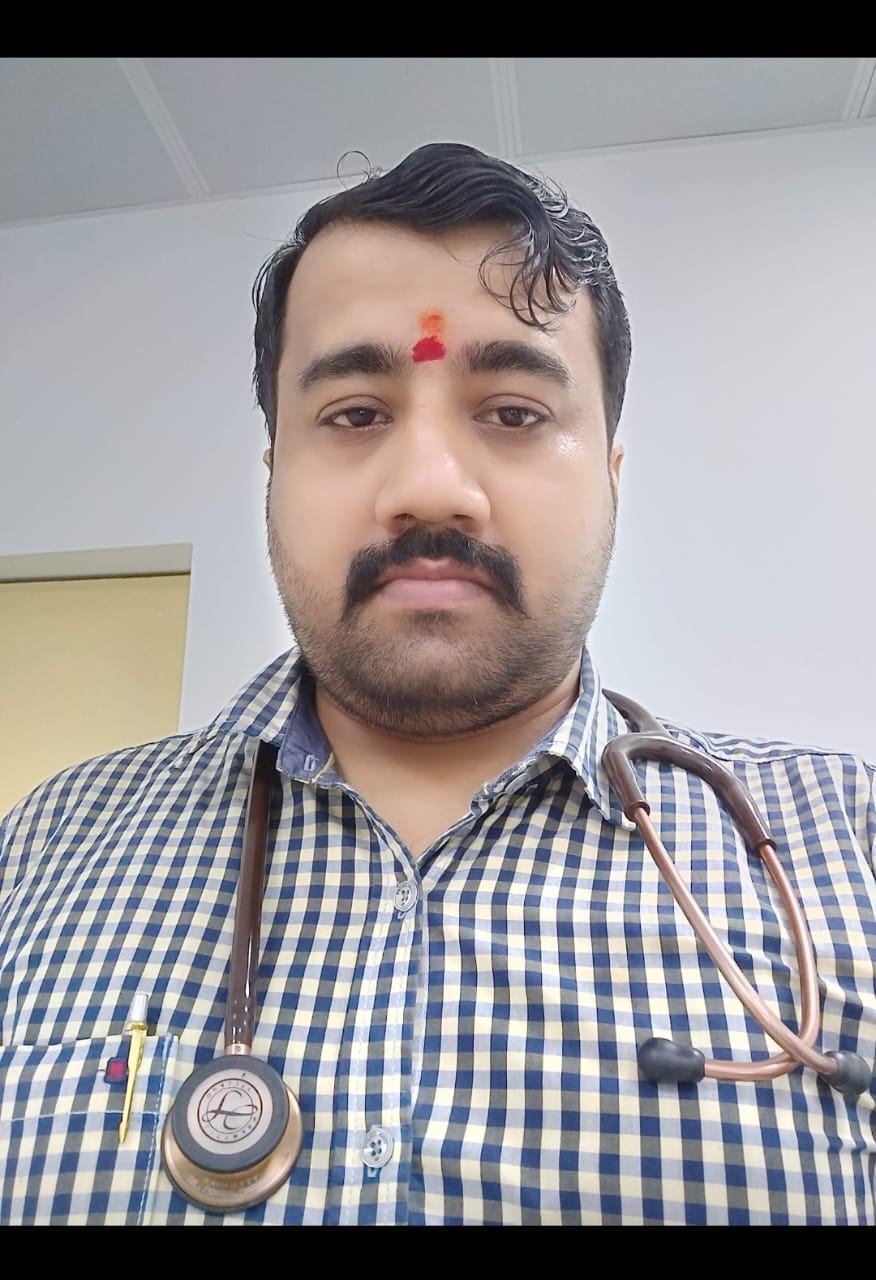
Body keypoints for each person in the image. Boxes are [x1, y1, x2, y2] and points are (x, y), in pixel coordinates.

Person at [1, 142, 873, 1227]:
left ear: (612, 477)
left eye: (512, 412)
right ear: (273, 475)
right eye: (355, 413)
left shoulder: (847, 845)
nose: (427, 487)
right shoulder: (41, 852)